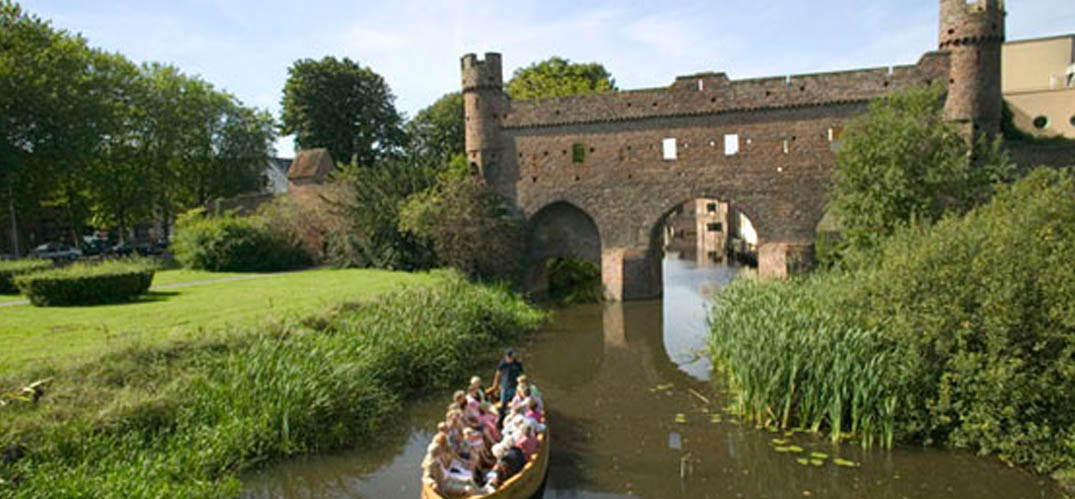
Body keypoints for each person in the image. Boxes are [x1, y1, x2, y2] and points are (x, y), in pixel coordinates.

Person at [491, 349, 524, 423]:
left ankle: (514, 419)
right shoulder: (503, 364)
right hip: (504, 387)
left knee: (515, 403)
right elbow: (498, 374)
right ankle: (502, 419)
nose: (510, 358)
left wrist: (521, 385)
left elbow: (521, 374)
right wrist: (495, 384)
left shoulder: (518, 364)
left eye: (511, 357)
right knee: (503, 404)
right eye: (508, 357)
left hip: (515, 387)